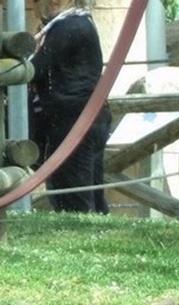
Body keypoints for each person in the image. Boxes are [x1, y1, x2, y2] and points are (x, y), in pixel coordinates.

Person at [30, 0, 111, 214]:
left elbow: (34, 68)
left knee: (74, 196)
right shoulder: (72, 23)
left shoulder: (71, 26)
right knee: (87, 189)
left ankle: (83, 236)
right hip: (85, 117)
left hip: (75, 120)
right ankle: (96, 233)